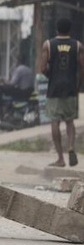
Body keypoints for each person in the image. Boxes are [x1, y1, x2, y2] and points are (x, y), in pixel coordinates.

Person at [40, 18, 84, 167]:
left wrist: (50, 76)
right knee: (70, 122)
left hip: (54, 88)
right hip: (71, 87)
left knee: (55, 121)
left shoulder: (48, 45)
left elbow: (42, 68)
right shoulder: (77, 45)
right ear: (69, 29)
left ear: (57, 29)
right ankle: (71, 147)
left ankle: (60, 158)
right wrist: (78, 85)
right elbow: (82, 68)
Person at [0, 54, 35, 120]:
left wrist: (4, 81)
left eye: (15, 62)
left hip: (22, 92)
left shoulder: (19, 69)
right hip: (28, 92)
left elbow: (12, 84)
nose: (15, 63)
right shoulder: (29, 69)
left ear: (18, 61)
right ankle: (8, 111)